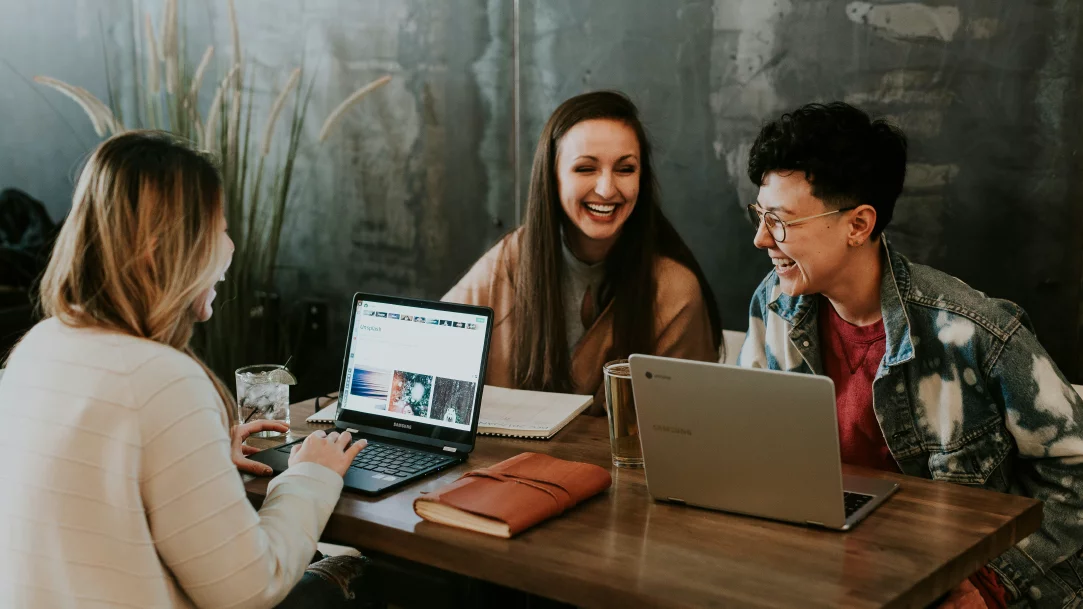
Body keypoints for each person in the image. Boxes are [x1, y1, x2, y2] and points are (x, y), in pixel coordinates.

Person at [0, 131, 377, 608]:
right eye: (219, 230)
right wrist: (308, 476)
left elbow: (99, 499)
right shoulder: (161, 379)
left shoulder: (38, 346)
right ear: (163, 250)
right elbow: (249, 588)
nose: (231, 247)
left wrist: (204, 457)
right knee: (357, 573)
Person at [737, 102, 1083, 608]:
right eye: (760, 214)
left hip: (953, 585)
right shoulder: (774, 305)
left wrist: (992, 584)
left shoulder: (974, 332)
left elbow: (1075, 475)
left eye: (781, 221)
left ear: (858, 225)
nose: (761, 238)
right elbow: (749, 448)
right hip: (825, 572)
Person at [445, 91, 721, 413]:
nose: (607, 189)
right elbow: (429, 351)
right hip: (503, 462)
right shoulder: (510, 259)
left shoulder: (675, 291)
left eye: (625, 169)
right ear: (553, 177)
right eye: (585, 169)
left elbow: (687, 429)